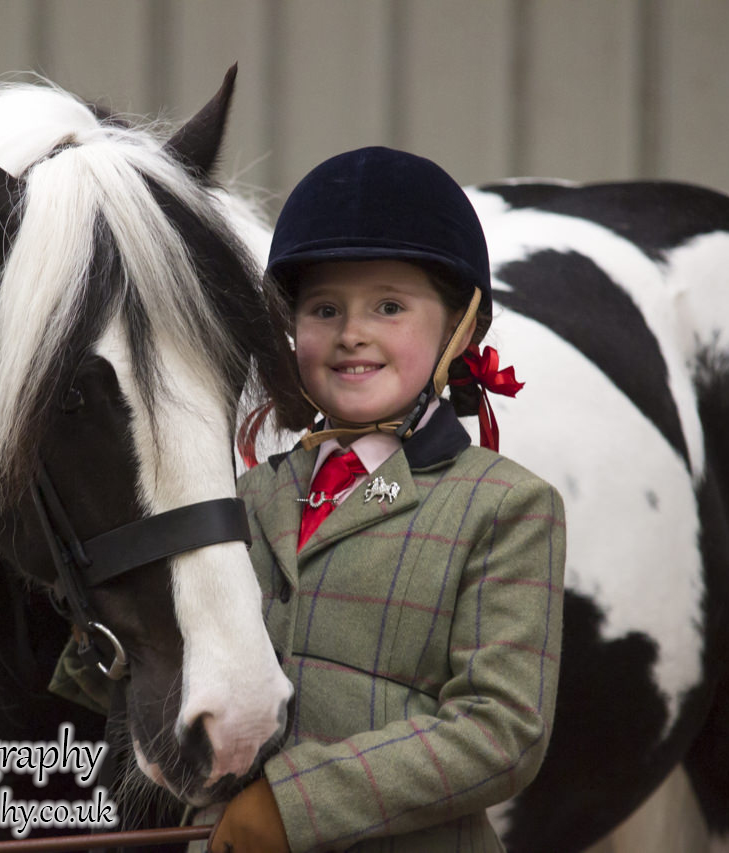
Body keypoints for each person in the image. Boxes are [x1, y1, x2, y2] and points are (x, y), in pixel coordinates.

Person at [204, 146, 567, 852]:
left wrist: (292, 804)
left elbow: (502, 730)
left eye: (389, 306)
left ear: (460, 326)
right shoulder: (248, 495)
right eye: (324, 308)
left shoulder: (507, 507)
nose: (351, 334)